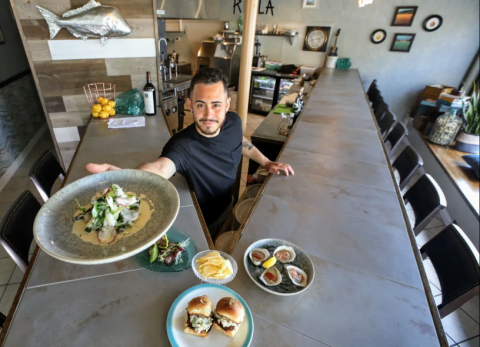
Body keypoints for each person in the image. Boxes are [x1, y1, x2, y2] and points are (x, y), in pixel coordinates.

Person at [87, 68, 294, 238]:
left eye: (216, 105)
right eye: (201, 105)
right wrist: (125, 179)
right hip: (205, 222)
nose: (209, 114)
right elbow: (160, 168)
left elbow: (240, 141)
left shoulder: (233, 122)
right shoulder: (182, 146)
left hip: (229, 204)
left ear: (227, 105)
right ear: (190, 106)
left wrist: (266, 162)